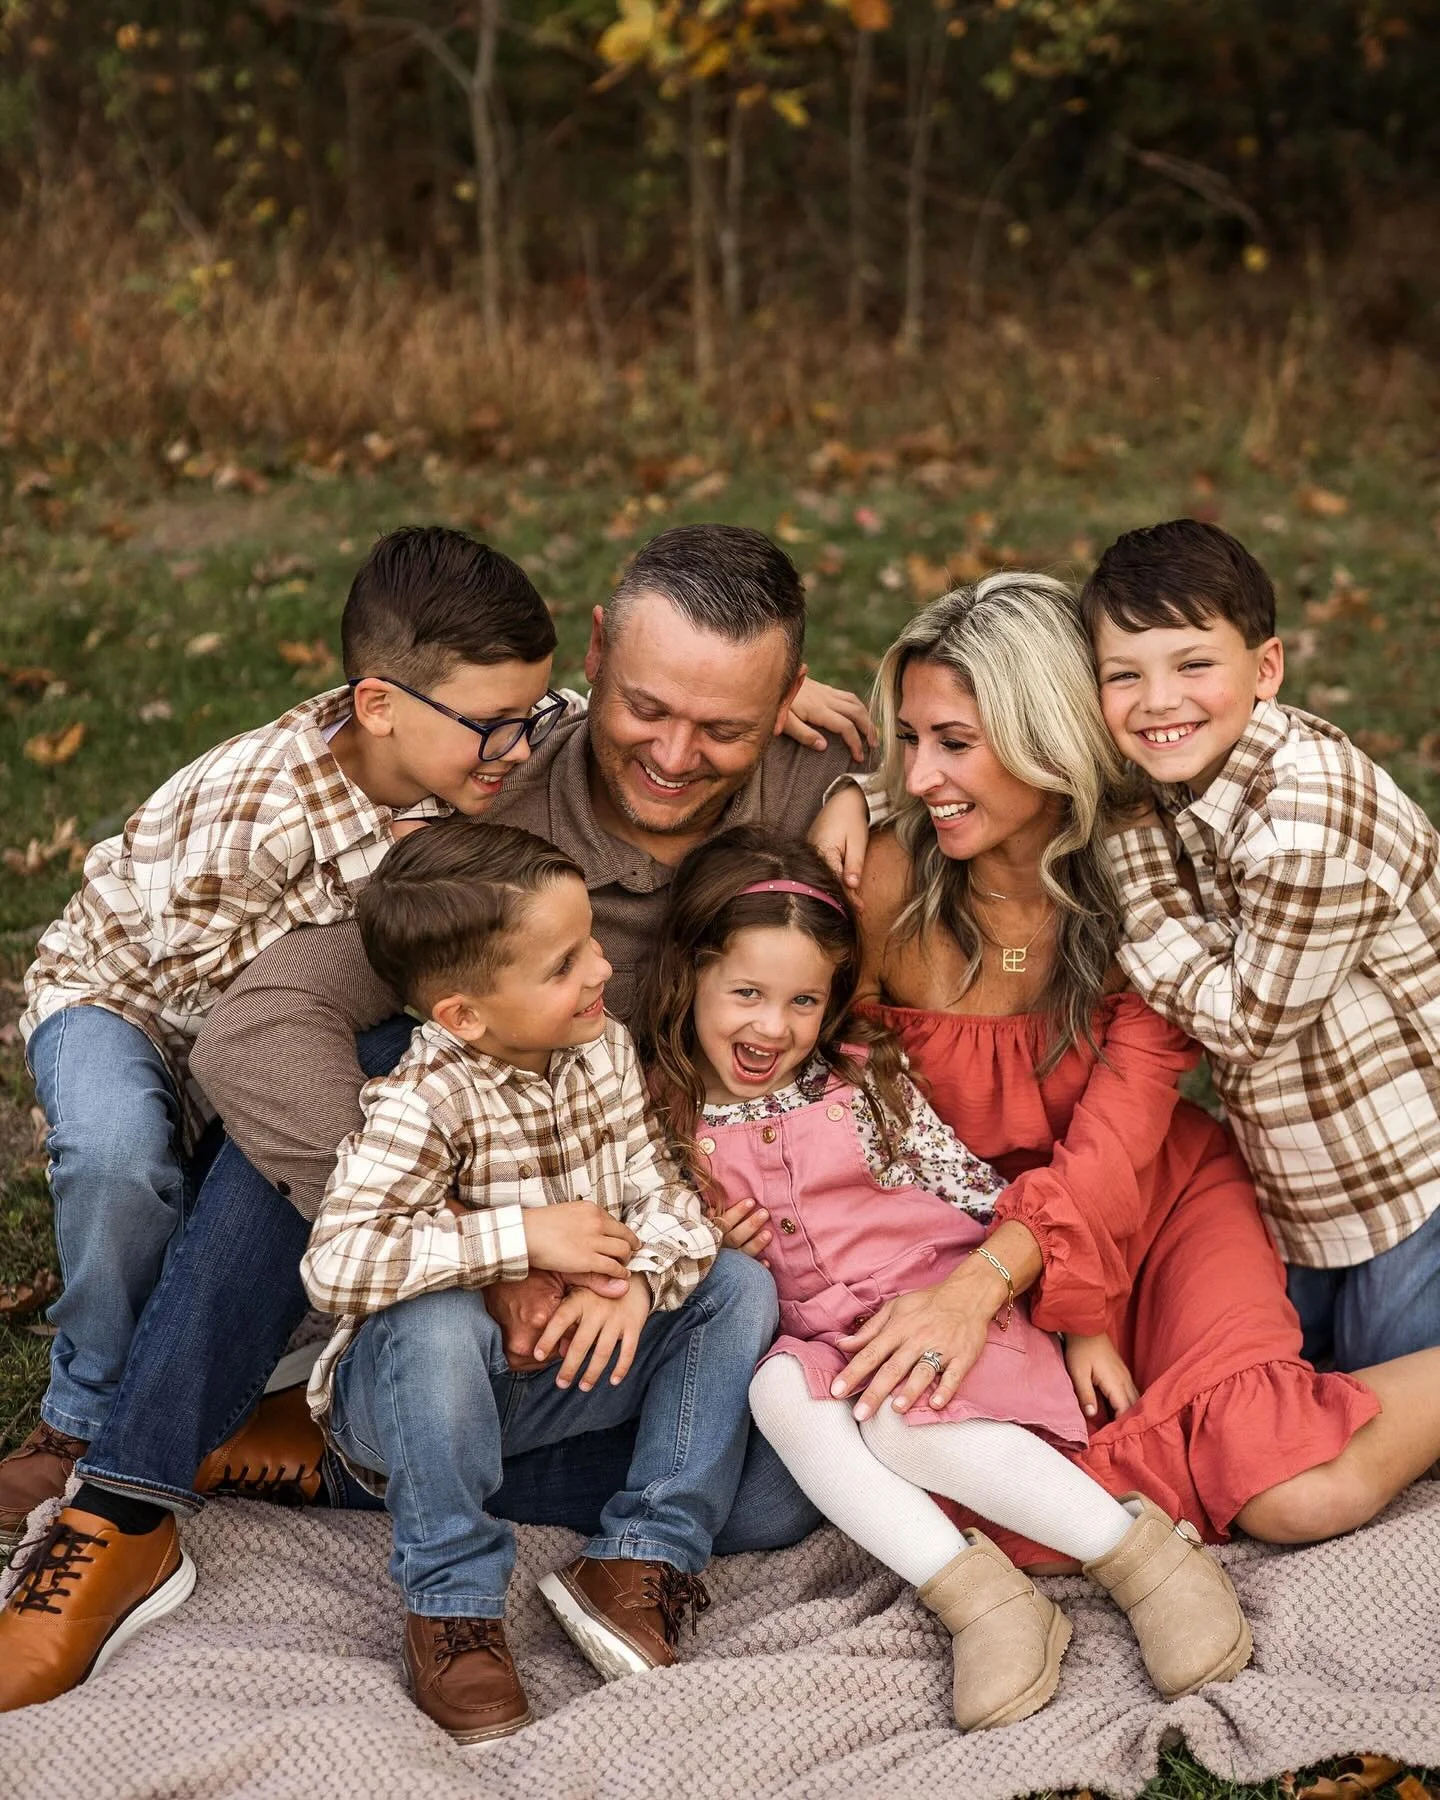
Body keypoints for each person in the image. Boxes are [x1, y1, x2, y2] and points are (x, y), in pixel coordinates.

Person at [0, 523, 859, 1711]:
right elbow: (256, 1035)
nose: (673, 754)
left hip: (641, 1247)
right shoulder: (482, 815)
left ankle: (339, 1457)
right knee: (351, 1053)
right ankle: (128, 1501)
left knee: (771, 1493)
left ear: (788, 696)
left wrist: (865, 793)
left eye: (725, 726)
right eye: (647, 707)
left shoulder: (819, 790)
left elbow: (980, 782)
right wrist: (488, 1238)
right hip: (448, 1221)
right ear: (598, 654)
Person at [819, 572, 1440, 1573]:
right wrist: (841, 787)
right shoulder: (884, 879)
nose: (923, 777)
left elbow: (1116, 1147)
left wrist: (1008, 1294)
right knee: (1013, 1510)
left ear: (1047, 740)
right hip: (966, 1238)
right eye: (909, 741)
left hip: (1155, 1203)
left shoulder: (1148, 894)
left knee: (1290, 1488)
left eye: (956, 744)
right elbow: (817, 1082)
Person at [0, 525, 567, 1550]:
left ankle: (254, 1350)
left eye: (527, 718)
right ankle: (76, 1414)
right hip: (129, 1005)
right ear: (379, 706)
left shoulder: (474, 749)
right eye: (494, 727)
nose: (519, 749)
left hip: (259, 1022)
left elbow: (596, 720)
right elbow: (211, 1021)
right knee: (124, 1159)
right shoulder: (257, 810)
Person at [632, 824, 1251, 1730]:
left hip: (942, 1299)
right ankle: (987, 1606)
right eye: (748, 993)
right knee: (776, 1392)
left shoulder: (861, 1077)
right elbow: (647, 1247)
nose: (775, 1026)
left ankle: (1144, 1561)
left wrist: (1076, 1313)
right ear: (690, 977)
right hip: (824, 1340)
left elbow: (979, 1191)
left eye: (805, 1000)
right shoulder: (656, 1116)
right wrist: (704, 1240)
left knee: (903, 1421)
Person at [293, 821, 771, 1743]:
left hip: (552, 1376)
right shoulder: (423, 1098)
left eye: (591, 941)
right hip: (409, 1396)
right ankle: (454, 1608)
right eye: (563, 965)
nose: (599, 969)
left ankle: (637, 1560)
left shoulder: (601, 1049)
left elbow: (665, 1197)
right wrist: (521, 1241)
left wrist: (633, 1280)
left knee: (737, 1287)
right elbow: (336, 1260)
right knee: (435, 1325)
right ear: (464, 1015)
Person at [1083, 519, 1440, 1373]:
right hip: (1305, 1183)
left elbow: (1244, 1025)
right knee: (1287, 1375)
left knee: (1380, 1385)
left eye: (1194, 664)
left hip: (1414, 1171)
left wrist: (1125, 848)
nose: (1159, 700)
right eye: (1123, 675)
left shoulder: (1304, 827)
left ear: (1266, 668)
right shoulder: (1200, 770)